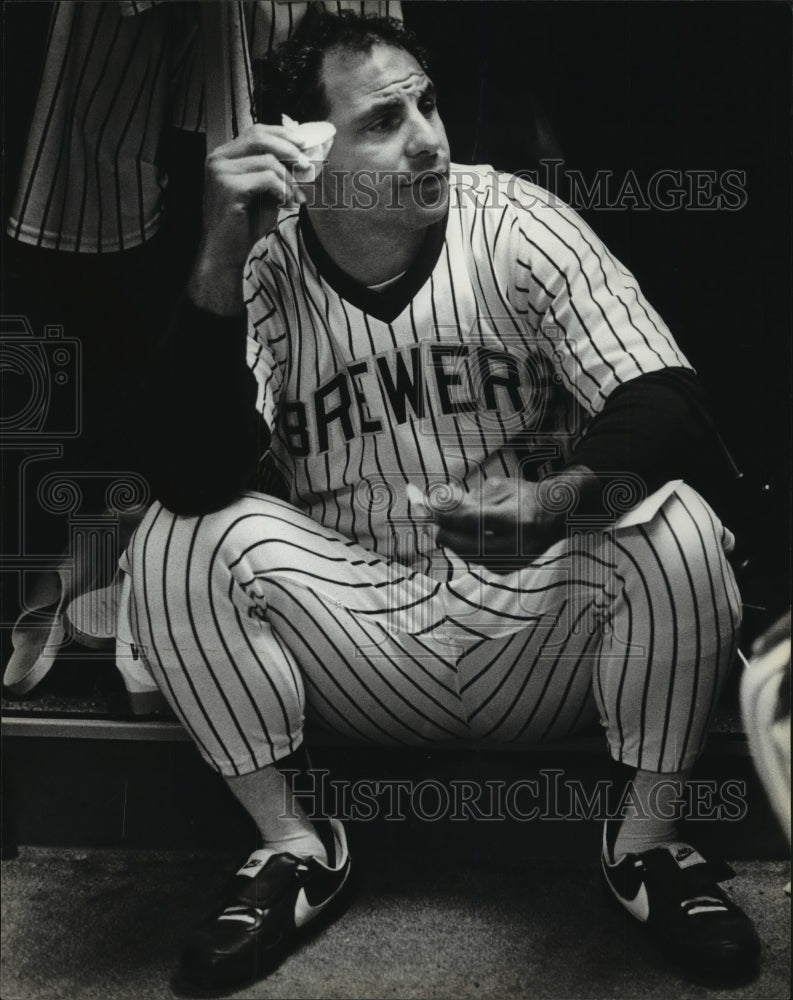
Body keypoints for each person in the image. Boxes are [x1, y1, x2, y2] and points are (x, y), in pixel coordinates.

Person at [119, 11, 759, 992]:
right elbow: (190, 472)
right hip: (360, 626)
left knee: (672, 524)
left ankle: (646, 847)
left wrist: (555, 497)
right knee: (172, 540)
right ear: (305, 153)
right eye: (381, 120)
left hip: (532, 619)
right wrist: (216, 249)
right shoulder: (263, 264)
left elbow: (666, 400)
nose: (427, 136)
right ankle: (292, 846)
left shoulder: (511, 218)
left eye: (427, 103)